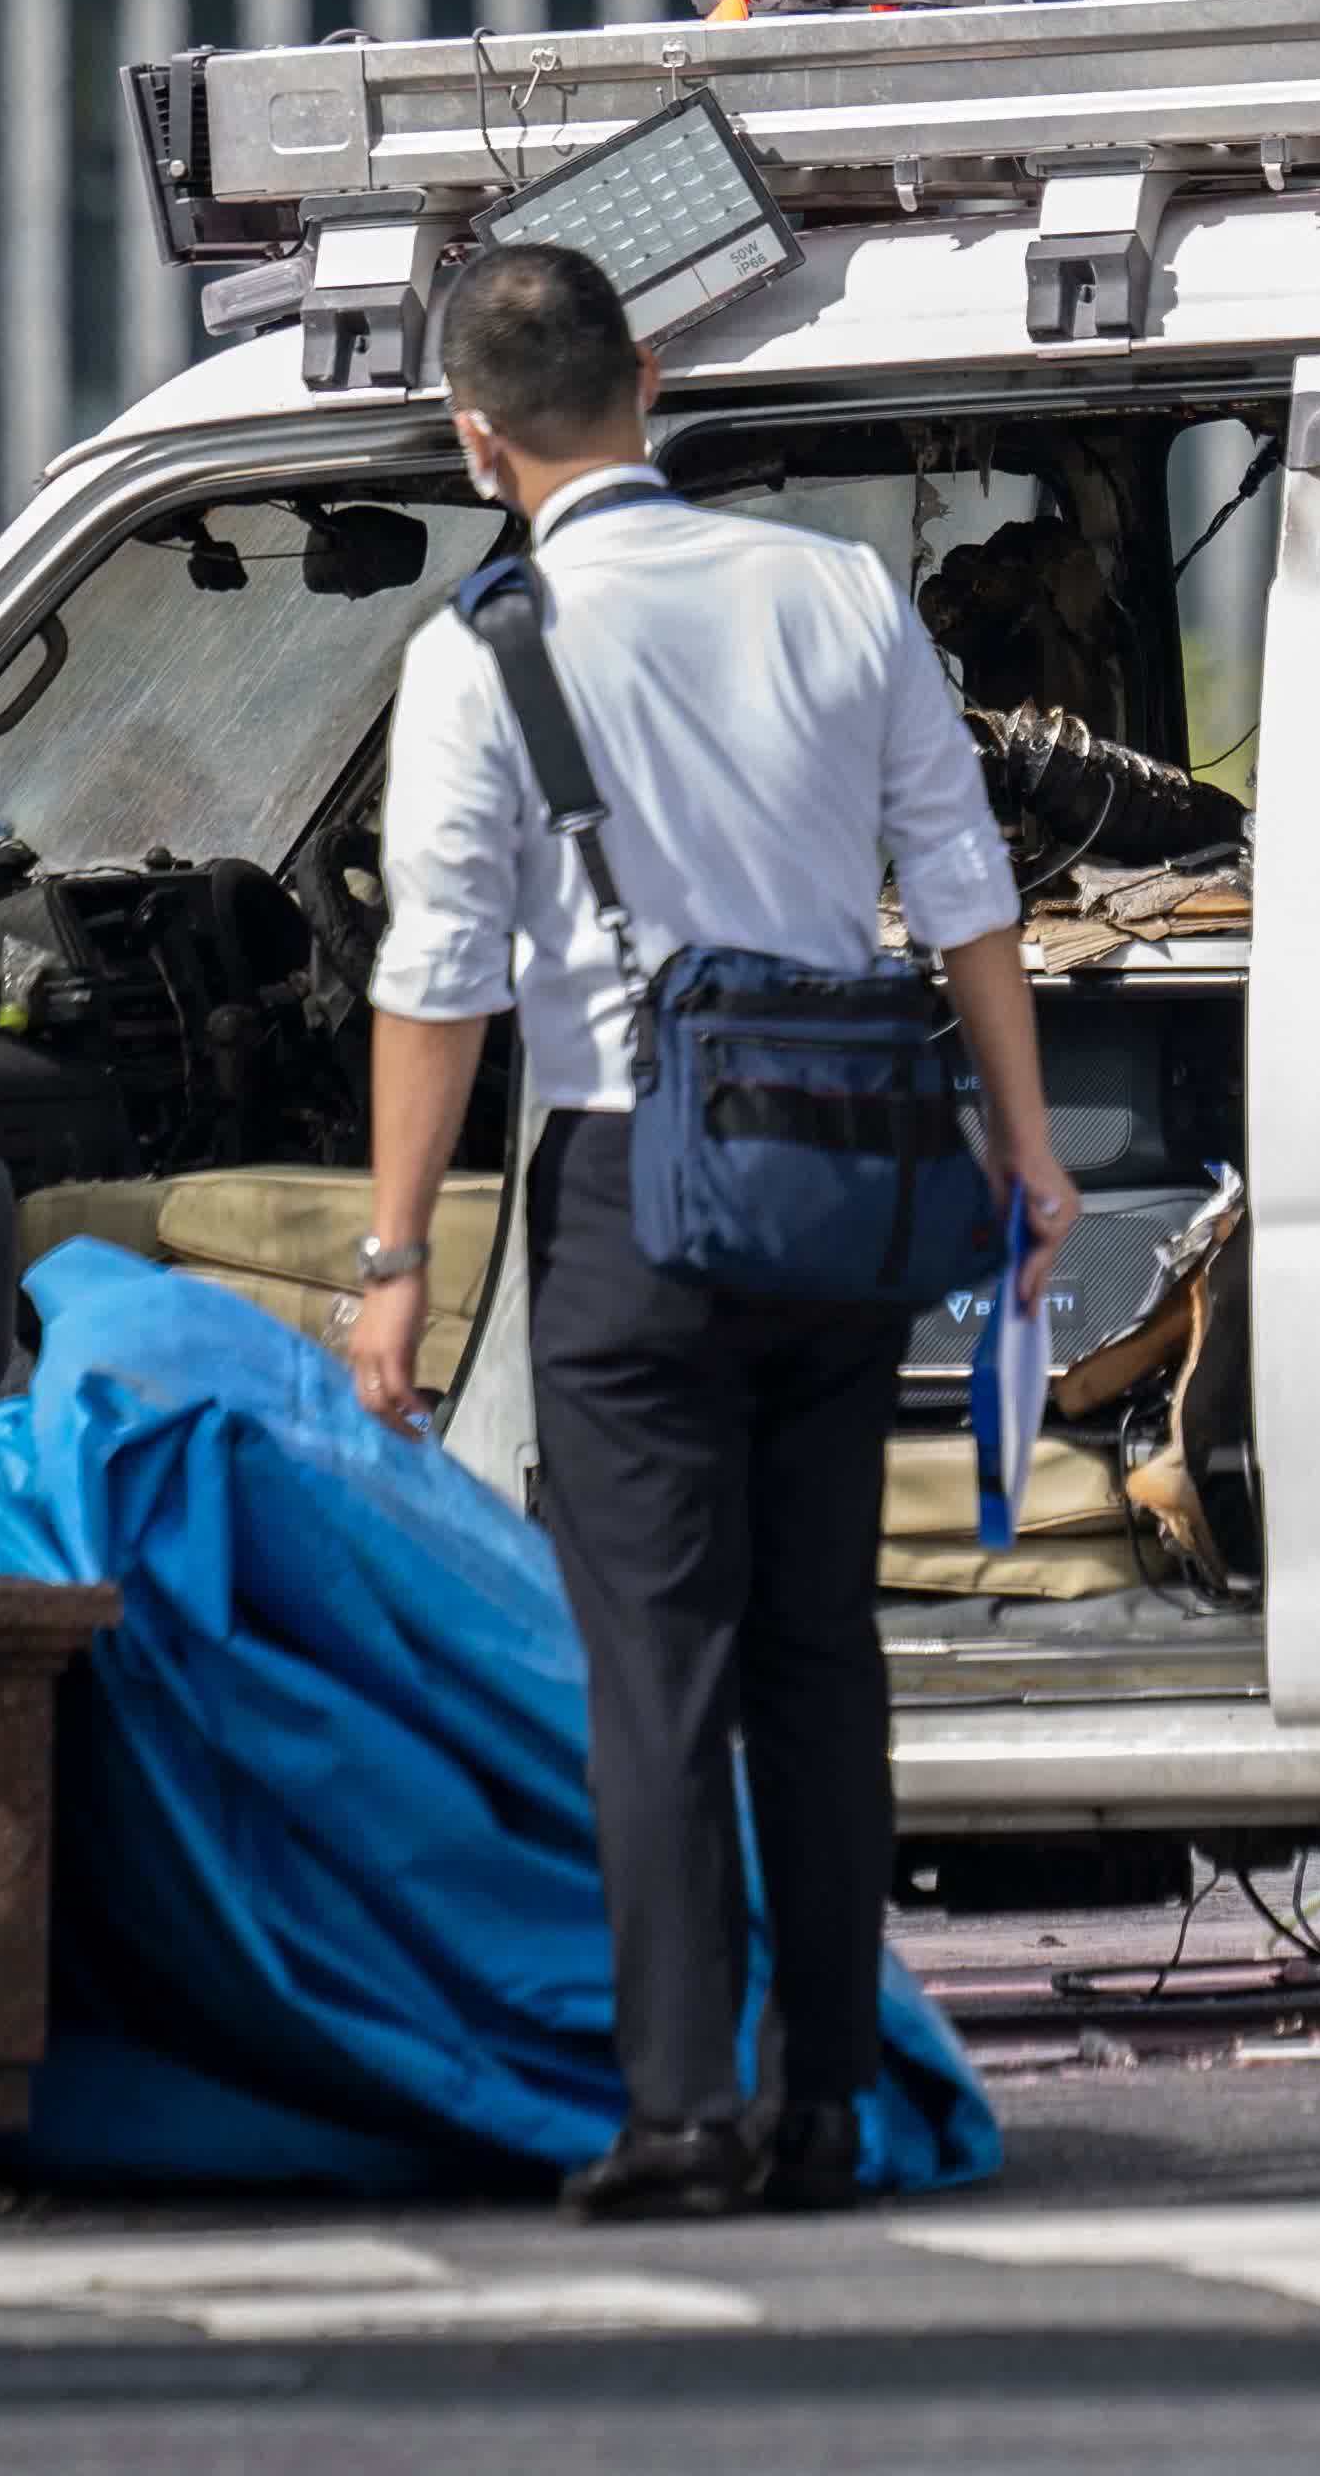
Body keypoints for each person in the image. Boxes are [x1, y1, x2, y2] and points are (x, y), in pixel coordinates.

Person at [351, 243, 1078, 2226]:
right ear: (649, 376)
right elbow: (957, 869)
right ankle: (828, 2098)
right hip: (844, 1175)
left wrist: (395, 1254)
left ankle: (681, 2108)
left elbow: (438, 972)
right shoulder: (833, 585)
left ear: (472, 436)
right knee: (820, 1652)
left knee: (656, 1663)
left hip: (626, 1196)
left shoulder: (482, 646)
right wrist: (1026, 1149)